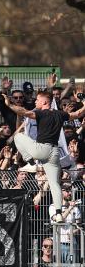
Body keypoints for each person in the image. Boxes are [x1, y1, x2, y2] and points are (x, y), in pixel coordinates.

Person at [5, 91, 85, 223]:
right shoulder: (60, 114)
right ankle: (59, 213)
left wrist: (9, 104)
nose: (35, 102)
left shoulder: (42, 113)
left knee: (18, 136)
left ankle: (31, 163)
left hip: (41, 149)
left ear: (44, 102)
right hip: (54, 152)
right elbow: (78, 114)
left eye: (37, 100)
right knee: (54, 184)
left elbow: (24, 112)